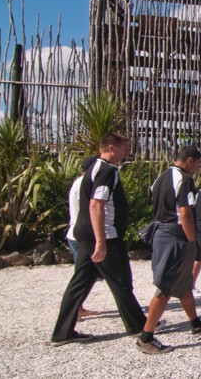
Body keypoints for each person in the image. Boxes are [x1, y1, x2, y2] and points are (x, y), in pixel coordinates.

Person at [52, 133, 146, 346]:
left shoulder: (95, 168)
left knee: (80, 281)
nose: (127, 152)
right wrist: (101, 241)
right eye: (124, 148)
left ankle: (62, 332)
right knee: (121, 280)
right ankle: (138, 325)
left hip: (85, 233)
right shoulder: (106, 170)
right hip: (103, 234)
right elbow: (96, 205)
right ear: (111, 148)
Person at [137, 145, 201, 355]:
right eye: (197, 163)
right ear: (190, 160)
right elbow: (184, 213)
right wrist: (192, 240)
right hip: (175, 235)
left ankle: (195, 322)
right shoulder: (185, 179)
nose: (197, 168)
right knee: (165, 286)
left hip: (161, 231)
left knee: (184, 281)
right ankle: (146, 337)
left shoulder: (161, 177)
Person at [65, 155, 102, 320]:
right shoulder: (84, 184)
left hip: (75, 232)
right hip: (80, 235)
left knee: (85, 274)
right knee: (84, 275)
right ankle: (73, 306)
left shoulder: (78, 182)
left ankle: (75, 305)